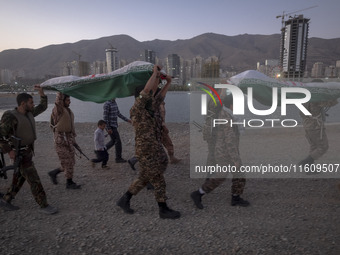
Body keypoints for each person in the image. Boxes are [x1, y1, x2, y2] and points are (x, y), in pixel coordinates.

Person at [116, 65, 181, 219]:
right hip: (146, 149)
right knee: (157, 177)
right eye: (150, 94)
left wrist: (167, 82)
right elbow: (146, 92)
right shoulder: (137, 109)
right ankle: (163, 208)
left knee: (145, 177)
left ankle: (124, 199)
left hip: (152, 147)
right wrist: (154, 74)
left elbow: (160, 96)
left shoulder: (150, 108)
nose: (153, 96)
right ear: (140, 96)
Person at [0, 86, 58, 214]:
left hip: (27, 152)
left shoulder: (29, 113)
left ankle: (6, 199)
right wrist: (9, 150)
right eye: (31, 102)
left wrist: (42, 94)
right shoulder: (10, 117)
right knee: (34, 179)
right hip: (19, 153)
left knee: (20, 177)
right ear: (23, 103)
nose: (33, 105)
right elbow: (1, 136)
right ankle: (44, 205)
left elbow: (42, 107)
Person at [191, 94, 249, 209]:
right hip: (225, 152)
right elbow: (230, 140)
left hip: (224, 150)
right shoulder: (226, 117)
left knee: (237, 174)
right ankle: (198, 193)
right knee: (223, 175)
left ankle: (235, 197)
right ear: (231, 105)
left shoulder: (227, 114)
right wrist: (235, 159)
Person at [127, 94, 181, 171]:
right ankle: (136, 160)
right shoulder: (158, 105)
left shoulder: (155, 103)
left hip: (156, 128)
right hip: (158, 128)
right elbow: (159, 116)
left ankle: (135, 160)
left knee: (153, 146)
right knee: (161, 144)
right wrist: (163, 125)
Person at [48, 92, 81, 189]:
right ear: (62, 101)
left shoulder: (69, 111)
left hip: (69, 140)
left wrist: (74, 141)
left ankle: (54, 173)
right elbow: (58, 102)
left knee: (70, 162)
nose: (69, 102)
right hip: (60, 141)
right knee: (68, 163)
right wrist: (61, 91)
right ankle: (69, 183)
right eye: (67, 100)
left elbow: (71, 128)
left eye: (70, 100)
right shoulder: (59, 110)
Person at [298, 99, 338, 167]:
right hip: (315, 126)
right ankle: (305, 162)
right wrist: (335, 96)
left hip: (307, 125)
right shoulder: (316, 98)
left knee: (314, 146)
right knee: (323, 147)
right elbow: (330, 103)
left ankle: (309, 167)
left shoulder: (304, 97)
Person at [103, 98, 131, 163]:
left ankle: (101, 151)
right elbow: (105, 117)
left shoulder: (114, 102)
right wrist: (108, 128)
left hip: (114, 125)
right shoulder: (107, 104)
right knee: (118, 142)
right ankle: (118, 158)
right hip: (110, 126)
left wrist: (127, 120)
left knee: (113, 141)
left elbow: (118, 114)